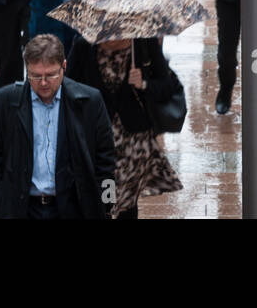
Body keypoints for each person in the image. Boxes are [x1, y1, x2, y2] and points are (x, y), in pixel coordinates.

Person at [0, 34, 117, 219]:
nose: (43, 82)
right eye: (35, 76)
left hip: (72, 210)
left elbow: (107, 159)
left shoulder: (90, 101)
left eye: (50, 75)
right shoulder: (3, 102)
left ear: (64, 67)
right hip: (20, 209)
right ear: (27, 69)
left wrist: (107, 205)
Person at [65, 37, 183, 219]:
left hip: (134, 144)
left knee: (126, 202)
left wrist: (143, 83)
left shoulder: (143, 43)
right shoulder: (84, 45)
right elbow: (67, 86)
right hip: (98, 142)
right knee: (106, 196)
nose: (113, 40)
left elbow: (166, 86)